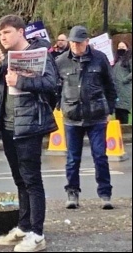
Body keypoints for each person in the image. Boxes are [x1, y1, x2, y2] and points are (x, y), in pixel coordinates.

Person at [0, 14, 58, 252]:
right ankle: (23, 227)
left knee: (32, 180)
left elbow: (51, 84)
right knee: (19, 179)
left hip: (29, 126)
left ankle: (37, 234)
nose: (2, 37)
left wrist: (21, 81)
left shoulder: (41, 53)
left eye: (6, 32)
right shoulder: (7, 58)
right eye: (0, 34)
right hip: (8, 125)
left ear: (20, 31)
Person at [55, 25, 118, 210]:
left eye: (79, 43)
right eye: (73, 43)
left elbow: (110, 85)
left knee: (100, 156)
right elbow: (55, 87)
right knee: (73, 158)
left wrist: (109, 108)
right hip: (72, 116)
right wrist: (60, 105)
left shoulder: (99, 58)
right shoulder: (61, 61)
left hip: (97, 115)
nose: (75, 46)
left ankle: (105, 193)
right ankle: (72, 192)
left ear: (87, 42)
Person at [113, 41, 132, 124]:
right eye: (119, 47)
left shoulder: (129, 59)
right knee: (118, 115)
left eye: (123, 47)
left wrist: (125, 79)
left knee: (123, 114)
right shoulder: (116, 61)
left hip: (125, 91)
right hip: (117, 90)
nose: (121, 49)